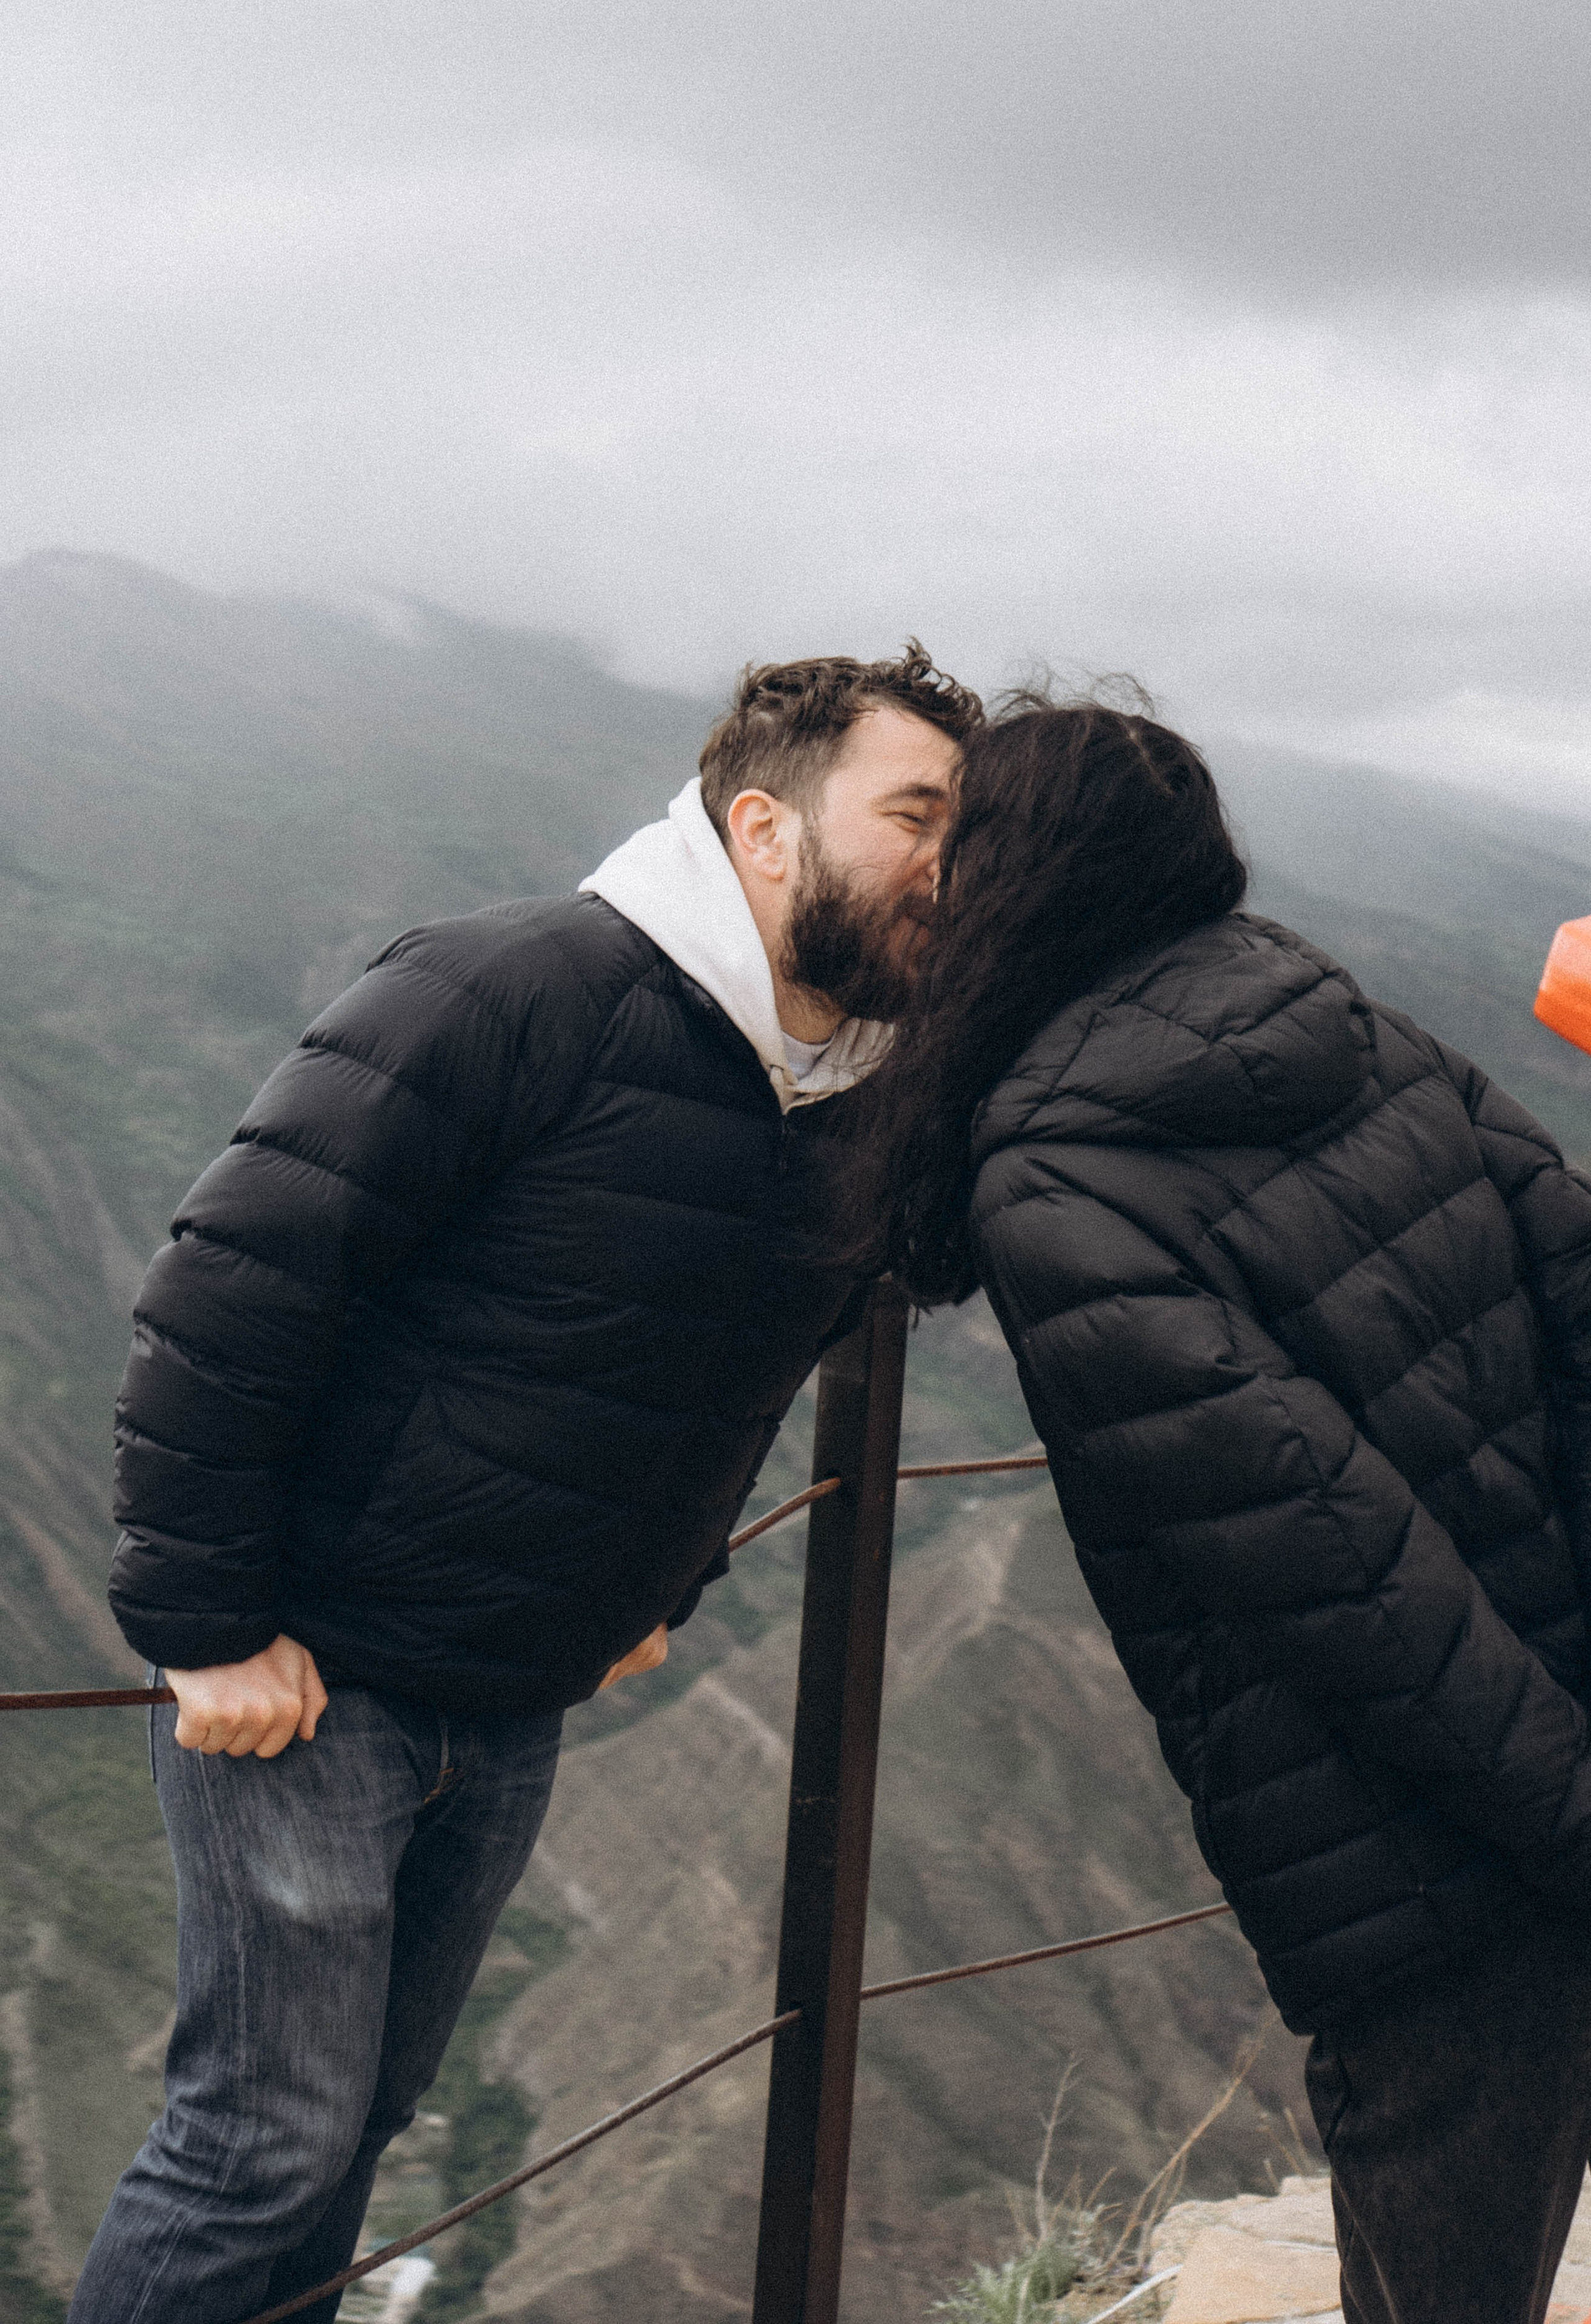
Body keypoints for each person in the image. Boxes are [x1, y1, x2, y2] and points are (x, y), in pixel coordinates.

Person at [70, 644, 978, 2324]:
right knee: (256, 2149)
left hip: (514, 1698)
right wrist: (203, 1628)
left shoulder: (852, 1095)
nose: (948, 866)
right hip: (310, 1682)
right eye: (916, 817)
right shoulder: (514, 988)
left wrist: (660, 1588)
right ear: (765, 828)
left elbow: (732, 1372)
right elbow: (232, 1285)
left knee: (354, 2135)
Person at [854, 692, 1591, 2324]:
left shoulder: (1050, 1180)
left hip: (1424, 1849)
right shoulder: (1355, 1027)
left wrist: (1571, 1823)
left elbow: (1336, 1566)